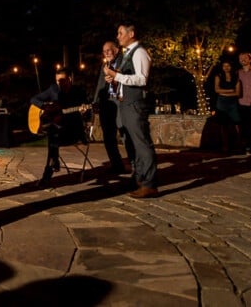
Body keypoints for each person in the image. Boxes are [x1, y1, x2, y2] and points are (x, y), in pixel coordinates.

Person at [103, 22, 159, 198]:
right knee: (134, 144)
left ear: (131, 33)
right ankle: (140, 179)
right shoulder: (128, 54)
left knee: (142, 144)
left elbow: (142, 79)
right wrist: (115, 81)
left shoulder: (140, 52)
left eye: (120, 33)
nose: (118, 36)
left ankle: (150, 183)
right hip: (126, 103)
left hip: (135, 104)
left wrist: (116, 76)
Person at [30, 67, 89, 187]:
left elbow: (88, 113)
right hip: (58, 131)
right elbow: (34, 99)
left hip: (73, 133)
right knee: (53, 132)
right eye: (57, 81)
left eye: (62, 80)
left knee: (53, 135)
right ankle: (52, 165)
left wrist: (84, 112)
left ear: (70, 79)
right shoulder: (54, 89)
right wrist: (45, 107)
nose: (59, 83)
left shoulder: (79, 92)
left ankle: (50, 170)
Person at [93, 40, 126, 174]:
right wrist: (96, 102)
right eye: (104, 51)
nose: (106, 53)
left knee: (125, 135)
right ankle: (117, 165)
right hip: (107, 104)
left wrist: (115, 77)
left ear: (116, 50)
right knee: (108, 136)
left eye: (109, 50)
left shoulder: (124, 62)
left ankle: (137, 167)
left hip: (120, 102)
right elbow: (100, 85)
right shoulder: (105, 65)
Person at [213, 60, 242, 152]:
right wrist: (230, 91)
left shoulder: (236, 77)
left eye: (228, 65)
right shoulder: (218, 76)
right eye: (224, 66)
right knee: (223, 125)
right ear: (222, 67)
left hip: (233, 103)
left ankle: (239, 145)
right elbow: (217, 90)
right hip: (221, 103)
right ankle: (224, 146)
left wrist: (223, 92)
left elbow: (238, 93)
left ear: (231, 67)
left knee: (237, 123)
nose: (226, 67)